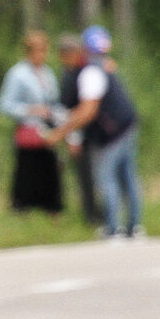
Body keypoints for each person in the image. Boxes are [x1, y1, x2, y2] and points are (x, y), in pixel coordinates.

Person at [46, 25, 143, 239]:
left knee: (107, 178)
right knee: (128, 176)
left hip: (113, 131)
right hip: (127, 124)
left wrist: (60, 134)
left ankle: (112, 227)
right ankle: (134, 227)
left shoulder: (90, 72)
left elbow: (87, 111)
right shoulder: (99, 67)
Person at [0, 30, 63, 214]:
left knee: (50, 171)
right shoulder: (17, 74)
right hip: (28, 130)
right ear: (29, 51)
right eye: (38, 50)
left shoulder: (47, 73)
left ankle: (52, 211)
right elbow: (5, 105)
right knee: (27, 173)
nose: (42, 55)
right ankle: (22, 210)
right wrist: (30, 110)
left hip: (47, 129)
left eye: (44, 50)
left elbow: (54, 100)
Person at [54, 33, 103, 227]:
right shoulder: (68, 76)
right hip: (80, 133)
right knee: (85, 178)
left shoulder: (86, 70)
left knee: (98, 177)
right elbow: (67, 110)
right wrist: (72, 139)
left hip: (95, 133)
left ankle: (102, 215)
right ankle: (91, 217)